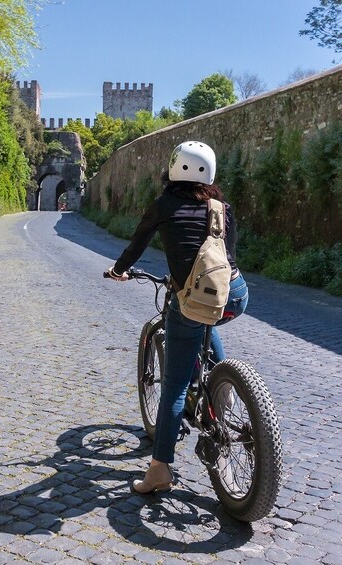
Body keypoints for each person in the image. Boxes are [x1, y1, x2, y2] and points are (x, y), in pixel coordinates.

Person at [106, 140, 249, 494]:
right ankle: (223, 385)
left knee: (173, 386)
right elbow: (227, 254)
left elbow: (137, 244)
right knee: (207, 317)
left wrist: (119, 270)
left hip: (191, 301)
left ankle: (159, 470)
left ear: (173, 168)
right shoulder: (222, 207)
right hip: (235, 293)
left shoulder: (164, 205)